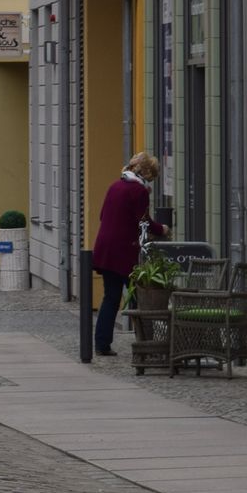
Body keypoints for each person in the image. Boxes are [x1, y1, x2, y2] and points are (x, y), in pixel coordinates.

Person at [91, 151, 166, 357]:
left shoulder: (115, 186)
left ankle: (101, 343)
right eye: (153, 175)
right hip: (124, 251)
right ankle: (147, 344)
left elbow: (102, 215)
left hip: (105, 249)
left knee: (111, 298)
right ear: (146, 172)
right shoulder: (138, 191)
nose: (153, 180)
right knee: (141, 297)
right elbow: (143, 222)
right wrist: (162, 230)